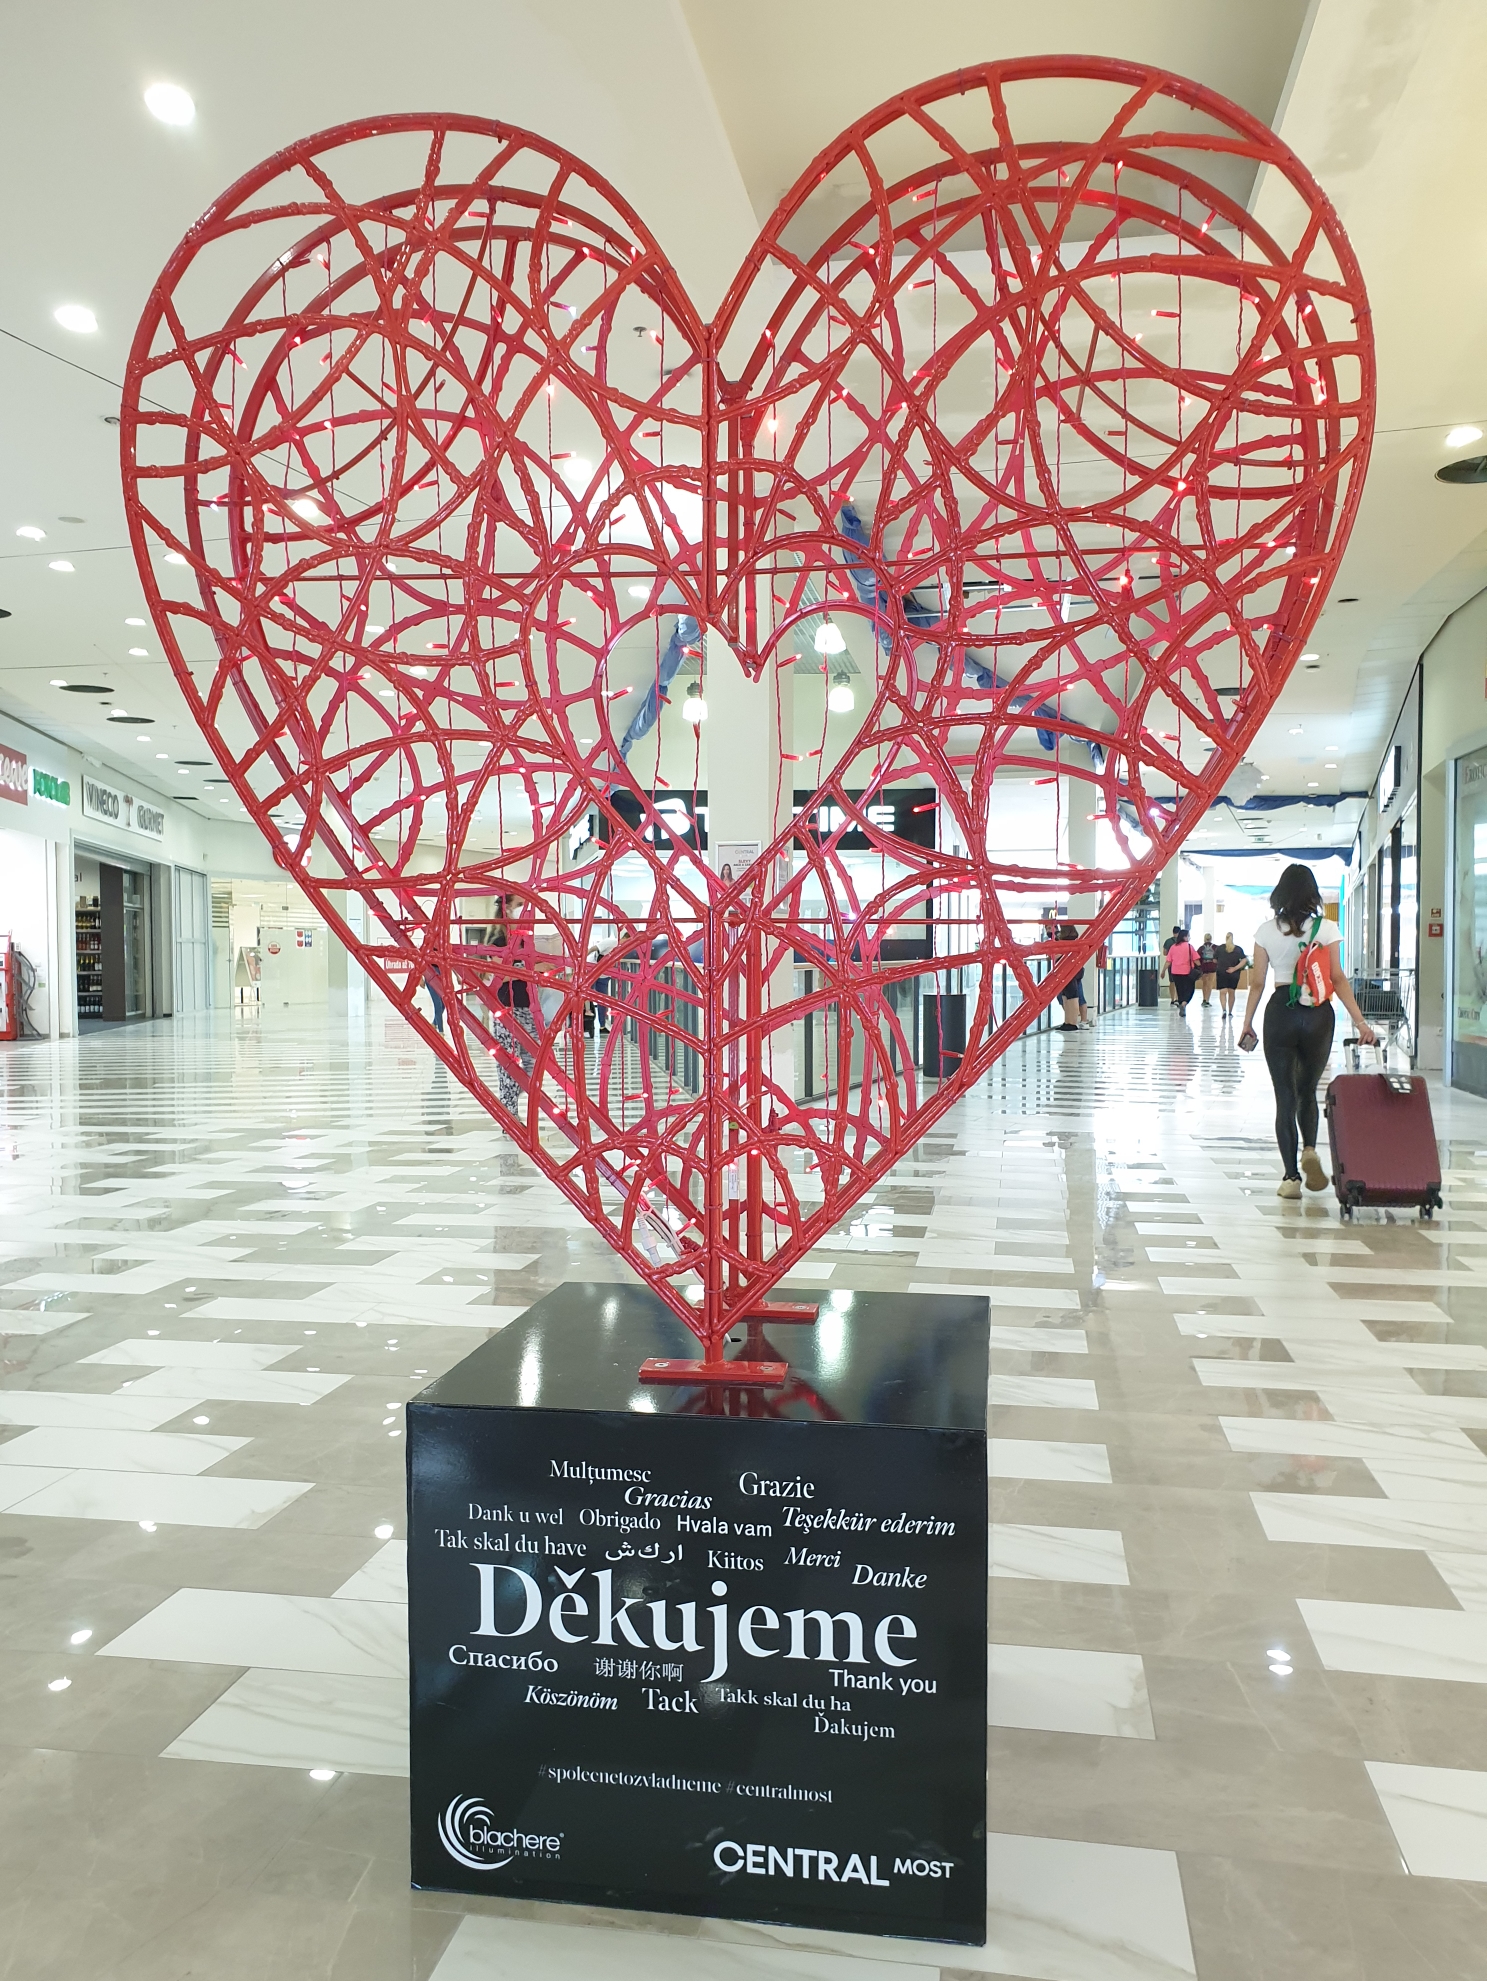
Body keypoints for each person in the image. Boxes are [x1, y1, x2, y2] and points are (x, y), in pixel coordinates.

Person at [1238, 863, 1377, 1198]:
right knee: (1307, 1090)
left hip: (1280, 1012)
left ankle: (1290, 1179)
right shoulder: (1327, 929)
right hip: (1318, 1014)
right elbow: (1337, 978)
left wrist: (1247, 1023)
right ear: (1312, 894)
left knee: (1284, 1096)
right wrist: (1360, 1022)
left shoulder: (1265, 931)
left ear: (1280, 894)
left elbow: (1257, 983)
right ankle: (1310, 1149)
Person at [1053, 920, 1091, 1031]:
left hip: (1068, 971)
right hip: (1076, 970)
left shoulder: (1063, 943)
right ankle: (1069, 1022)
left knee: (1070, 997)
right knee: (1070, 996)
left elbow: (1057, 955)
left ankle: (1071, 1022)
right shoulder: (1076, 941)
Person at [1212, 931, 1246, 1019]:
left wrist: (1221, 962)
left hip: (1222, 972)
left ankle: (1224, 1010)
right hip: (1234, 973)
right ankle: (1230, 1012)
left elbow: (1214, 960)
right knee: (1232, 992)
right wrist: (1235, 968)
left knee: (1222, 992)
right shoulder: (1238, 949)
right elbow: (1244, 960)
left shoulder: (1220, 948)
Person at [1164, 928, 1199, 1013]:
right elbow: (1196, 960)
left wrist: (1163, 971)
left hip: (1175, 972)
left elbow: (1168, 961)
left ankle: (1181, 1004)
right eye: (1188, 936)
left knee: (1180, 990)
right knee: (1190, 989)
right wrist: (1201, 967)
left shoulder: (1173, 947)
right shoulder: (1189, 946)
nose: (1189, 937)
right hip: (1187, 972)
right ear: (1184, 937)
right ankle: (1184, 1004)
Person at [1161, 924, 1185, 1005]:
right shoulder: (1182, 942)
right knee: (1180, 982)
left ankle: (1172, 998)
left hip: (1171, 964)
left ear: (1173, 932)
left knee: (1172, 981)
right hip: (1181, 965)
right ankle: (1178, 998)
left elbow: (1164, 953)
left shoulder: (1168, 941)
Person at [424, 963, 445, 1036]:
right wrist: (420, 977)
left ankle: (434, 1023)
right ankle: (441, 1031)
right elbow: (420, 959)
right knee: (438, 1004)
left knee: (443, 1004)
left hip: (442, 972)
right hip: (431, 972)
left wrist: (457, 976)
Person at [1198, 932, 1217, 1007]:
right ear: (1211, 939)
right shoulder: (1215, 947)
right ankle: (1207, 1000)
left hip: (1204, 967)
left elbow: (1198, 957)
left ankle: (1204, 999)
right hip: (1212, 966)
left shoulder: (1201, 948)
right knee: (1210, 983)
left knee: (1204, 983)